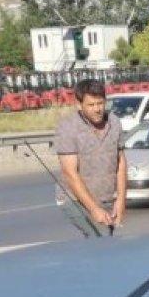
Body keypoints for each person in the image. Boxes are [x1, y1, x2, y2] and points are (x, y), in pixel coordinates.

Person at [54, 79, 127, 237]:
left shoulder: (114, 122)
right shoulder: (68, 127)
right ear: (79, 105)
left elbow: (120, 162)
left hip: (106, 197)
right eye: (91, 105)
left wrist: (121, 200)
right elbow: (69, 173)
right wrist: (93, 209)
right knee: (98, 240)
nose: (97, 109)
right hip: (74, 199)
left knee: (109, 242)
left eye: (100, 103)